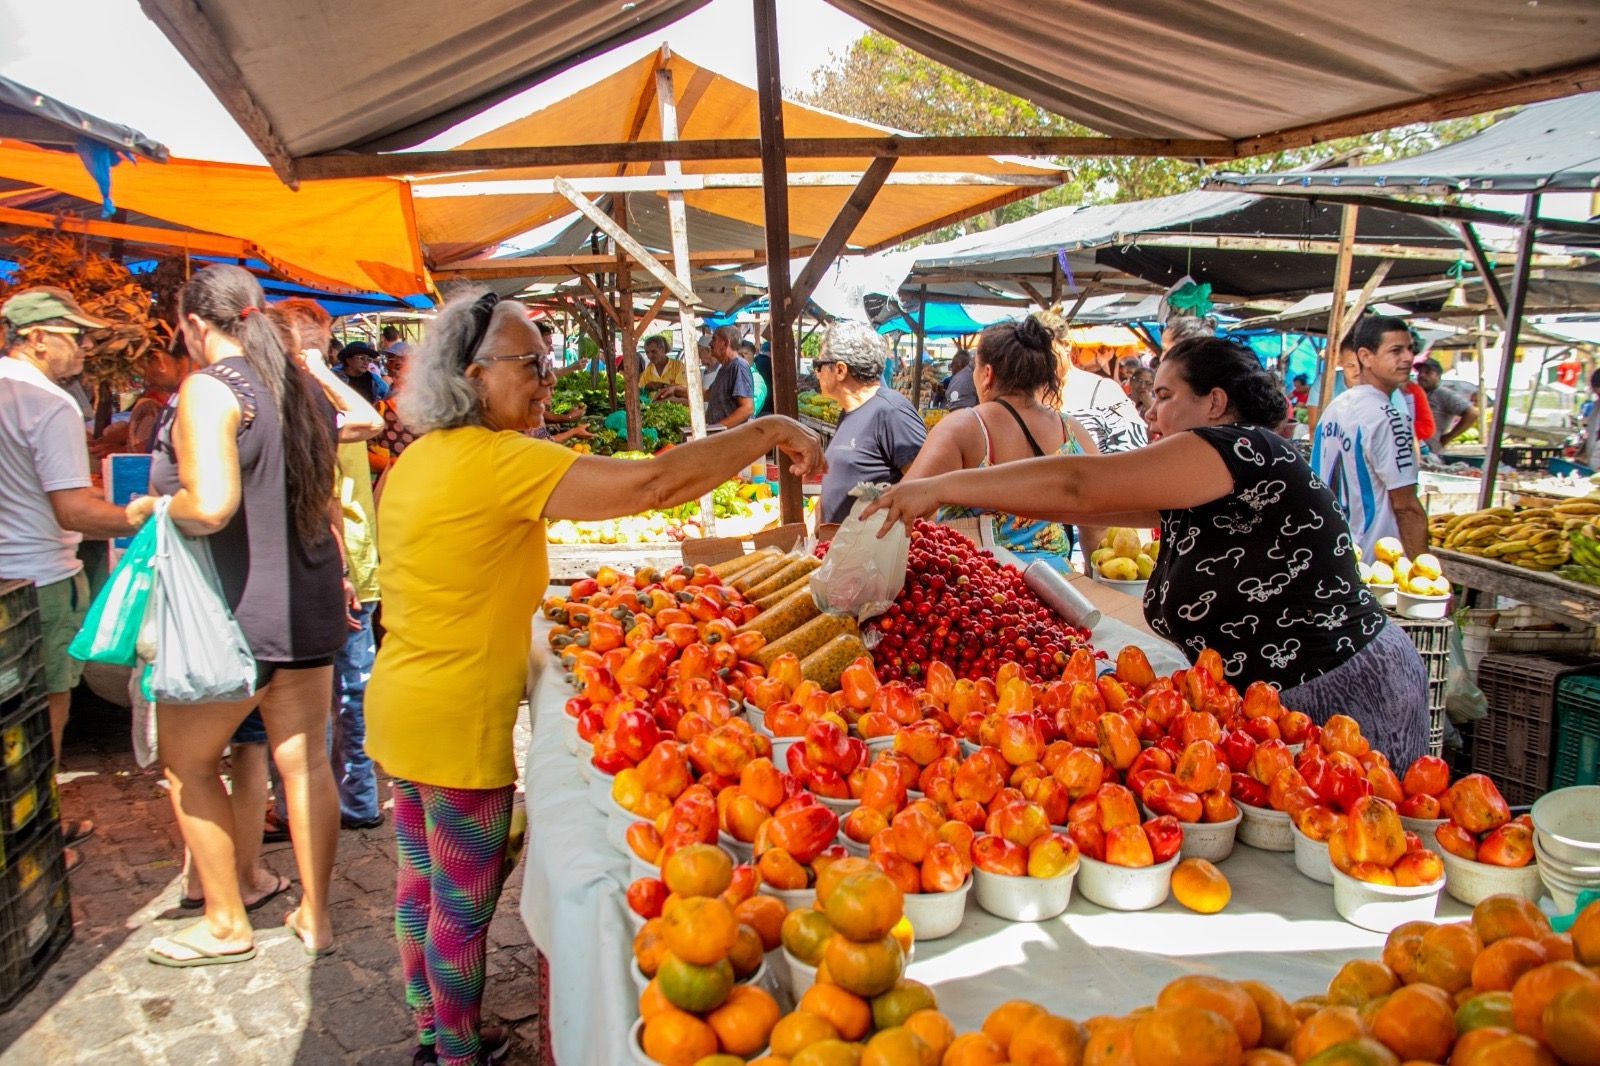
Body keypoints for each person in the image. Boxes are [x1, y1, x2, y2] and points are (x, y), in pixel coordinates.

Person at [365, 291, 824, 1066]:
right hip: (454, 721)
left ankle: (428, 1024)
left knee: (422, 883)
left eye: (547, 362)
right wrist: (769, 429)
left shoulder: (419, 458)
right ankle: (453, 1050)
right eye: (531, 364)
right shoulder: (497, 460)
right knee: (464, 906)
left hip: (402, 701)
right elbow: (654, 486)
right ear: (472, 375)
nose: (546, 379)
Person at [865, 336, 1430, 766]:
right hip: (1279, 702)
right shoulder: (1208, 479)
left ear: (1214, 403)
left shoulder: (1242, 449)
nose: (1149, 412)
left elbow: (1080, 485)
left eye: (1163, 396)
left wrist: (938, 487)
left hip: (1339, 689)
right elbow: (1080, 507)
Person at [139, 264, 378, 967]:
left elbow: (209, 505)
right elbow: (329, 494)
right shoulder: (300, 386)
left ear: (190, 324)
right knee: (305, 766)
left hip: (234, 614)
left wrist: (149, 509)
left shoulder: (209, 389)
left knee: (188, 763)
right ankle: (317, 914)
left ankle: (223, 923)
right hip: (305, 605)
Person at [0, 286, 149, 871]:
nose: (86, 346)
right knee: (41, 713)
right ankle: (34, 833)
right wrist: (141, 514)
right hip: (40, 577)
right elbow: (73, 511)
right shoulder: (49, 403)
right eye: (75, 335)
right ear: (36, 338)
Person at [273, 299, 386, 832]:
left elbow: (371, 423)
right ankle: (304, 806)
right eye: (315, 344)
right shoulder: (290, 408)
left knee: (351, 693)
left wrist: (322, 370)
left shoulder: (330, 400)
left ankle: (354, 802)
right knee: (314, 699)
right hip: (321, 566)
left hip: (353, 564)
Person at [905, 317, 1100, 573]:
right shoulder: (1072, 431)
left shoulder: (964, 427)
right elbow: (1097, 530)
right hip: (1060, 587)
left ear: (987, 374)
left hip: (983, 594)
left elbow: (903, 508)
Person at [1312, 316, 1428, 559]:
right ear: (1365, 356)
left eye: (1410, 349)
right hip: (1376, 562)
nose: (1408, 358)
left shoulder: (1335, 408)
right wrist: (1425, 576)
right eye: (1395, 350)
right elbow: (1406, 508)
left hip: (1335, 553)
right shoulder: (1389, 419)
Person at [815, 321, 927, 525]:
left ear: (840, 370)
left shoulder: (891, 411)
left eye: (819, 365)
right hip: (840, 550)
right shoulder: (849, 412)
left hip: (873, 552)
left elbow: (926, 489)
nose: (816, 373)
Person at [1035, 306, 1147, 456]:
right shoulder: (1027, 395)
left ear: (1066, 345)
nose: (1037, 360)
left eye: (1044, 352)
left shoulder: (1105, 391)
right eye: (1030, 353)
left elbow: (1134, 456)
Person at [1415, 357, 1477, 453]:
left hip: (1430, 450)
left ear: (1438, 376)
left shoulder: (1444, 395)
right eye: (1420, 372)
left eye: (1428, 372)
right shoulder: (1414, 393)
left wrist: (1448, 437)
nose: (1422, 376)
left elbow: (1472, 413)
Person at [705, 324, 754, 428]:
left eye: (714, 339)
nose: (710, 344)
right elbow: (709, 394)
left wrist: (716, 429)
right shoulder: (725, 368)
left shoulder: (738, 366)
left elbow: (747, 408)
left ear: (725, 344)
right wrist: (676, 391)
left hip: (734, 439)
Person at [639, 334, 686, 400]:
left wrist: (661, 385)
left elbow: (685, 390)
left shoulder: (678, 366)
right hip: (655, 409)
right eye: (647, 352)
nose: (650, 356)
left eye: (653, 351)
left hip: (677, 408)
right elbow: (640, 391)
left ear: (662, 349)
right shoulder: (648, 371)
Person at [738, 338, 769, 418]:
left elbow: (750, 411)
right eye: (738, 355)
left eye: (743, 354)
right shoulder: (735, 374)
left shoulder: (757, 380)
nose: (740, 358)